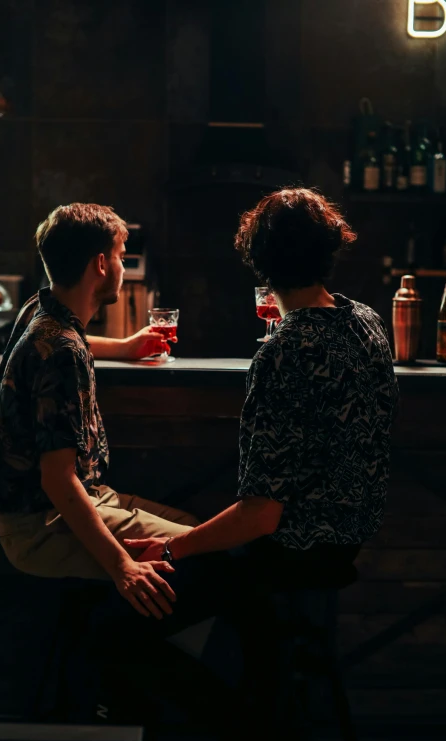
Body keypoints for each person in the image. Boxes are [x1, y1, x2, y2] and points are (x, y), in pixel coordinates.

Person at [127, 186, 400, 589]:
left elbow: (260, 515)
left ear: (259, 263)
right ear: (329, 248)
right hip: (349, 540)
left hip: (289, 556)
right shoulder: (367, 321)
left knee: (135, 597)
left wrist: (170, 548)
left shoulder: (285, 350)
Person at [0, 203, 202, 620]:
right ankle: (146, 672)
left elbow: (61, 342)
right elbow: (58, 482)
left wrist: (125, 346)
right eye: (119, 255)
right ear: (101, 264)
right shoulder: (61, 351)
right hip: (39, 528)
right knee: (197, 557)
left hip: (65, 505)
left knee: (196, 532)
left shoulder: (41, 311)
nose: (121, 264)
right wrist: (122, 568)